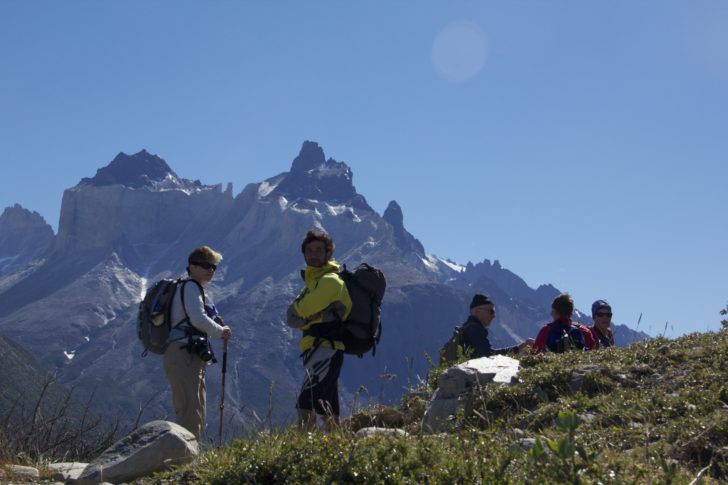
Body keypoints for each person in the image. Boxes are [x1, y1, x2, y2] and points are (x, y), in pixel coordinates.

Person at [163, 245, 232, 439]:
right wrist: (221, 331)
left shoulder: (191, 288)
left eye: (213, 267)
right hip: (183, 351)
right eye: (205, 265)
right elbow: (198, 319)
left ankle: (190, 454)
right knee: (190, 408)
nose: (210, 270)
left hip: (186, 352)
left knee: (196, 406)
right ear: (192, 266)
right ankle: (183, 459)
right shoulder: (191, 287)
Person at [286, 230, 352, 430]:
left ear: (328, 254)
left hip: (324, 349)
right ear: (304, 254)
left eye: (318, 250)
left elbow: (298, 312)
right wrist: (310, 317)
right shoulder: (312, 283)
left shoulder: (329, 281)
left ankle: (304, 453)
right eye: (309, 250)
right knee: (327, 409)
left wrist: (305, 316)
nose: (313, 254)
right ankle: (338, 447)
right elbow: (293, 319)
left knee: (305, 405)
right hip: (320, 349)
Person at [458, 293, 534, 358]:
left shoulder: (467, 327)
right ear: (478, 311)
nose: (494, 316)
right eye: (491, 311)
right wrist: (519, 348)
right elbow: (490, 355)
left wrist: (521, 346)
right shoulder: (474, 329)